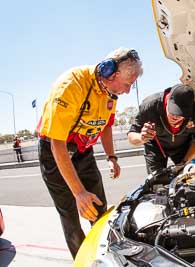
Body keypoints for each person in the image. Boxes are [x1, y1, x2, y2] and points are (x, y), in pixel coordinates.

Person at [37, 47, 143, 258]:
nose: (128, 91)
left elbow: (106, 125)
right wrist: (78, 193)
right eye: (128, 84)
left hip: (83, 151)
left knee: (98, 208)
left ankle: (107, 257)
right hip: (55, 153)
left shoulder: (110, 91)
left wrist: (111, 157)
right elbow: (56, 144)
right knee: (71, 215)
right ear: (110, 73)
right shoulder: (70, 86)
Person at [128, 84, 195, 173]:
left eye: (181, 114)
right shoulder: (149, 106)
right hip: (156, 147)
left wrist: (184, 163)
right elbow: (131, 136)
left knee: (187, 176)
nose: (175, 117)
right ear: (168, 100)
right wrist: (141, 138)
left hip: (184, 147)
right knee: (156, 181)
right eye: (173, 112)